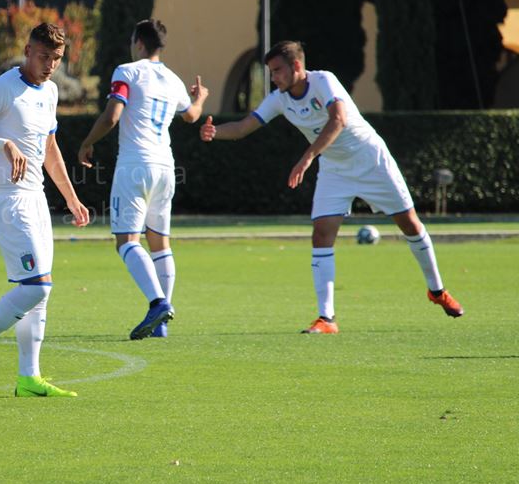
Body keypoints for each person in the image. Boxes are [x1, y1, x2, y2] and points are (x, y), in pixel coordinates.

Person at [200, 40, 464, 333]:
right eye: (271, 72)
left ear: (297, 66)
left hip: (370, 159)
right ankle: (327, 319)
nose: (273, 78)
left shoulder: (324, 80)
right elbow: (243, 127)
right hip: (335, 168)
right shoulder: (279, 99)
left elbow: (338, 120)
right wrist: (215, 132)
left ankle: (437, 291)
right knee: (322, 233)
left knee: (410, 225)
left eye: (277, 71)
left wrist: (307, 157)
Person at [0, 22, 90, 398]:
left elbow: (49, 147)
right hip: (6, 201)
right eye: (44, 56)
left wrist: (71, 197)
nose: (50, 66)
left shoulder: (49, 91)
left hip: (35, 199)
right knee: (36, 285)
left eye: (57, 59)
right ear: (28, 50)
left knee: (40, 291)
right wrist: (2, 145)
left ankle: (29, 377)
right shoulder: (1, 89)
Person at [78, 19, 208, 340]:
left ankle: (158, 304)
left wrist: (86, 142)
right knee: (160, 243)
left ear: (138, 42)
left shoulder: (128, 71)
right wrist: (200, 97)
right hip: (166, 168)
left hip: (135, 165)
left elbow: (112, 115)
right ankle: (161, 322)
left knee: (126, 242)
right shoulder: (174, 80)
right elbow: (191, 115)